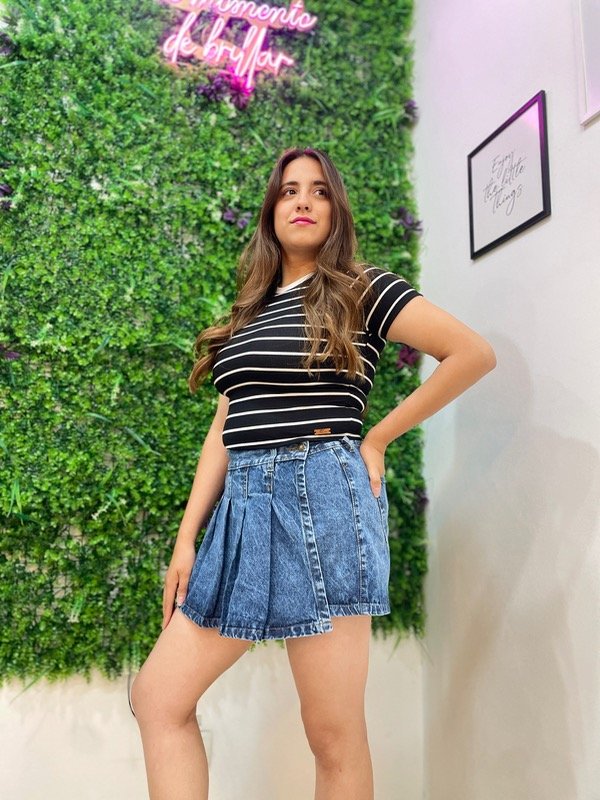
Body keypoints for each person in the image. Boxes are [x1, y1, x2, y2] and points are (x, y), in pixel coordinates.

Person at [130, 146, 496, 800]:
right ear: (272, 210)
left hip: (321, 493)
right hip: (242, 505)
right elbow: (225, 424)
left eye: (320, 190)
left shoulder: (362, 286)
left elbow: (470, 352)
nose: (303, 201)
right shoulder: (252, 311)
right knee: (158, 697)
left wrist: (377, 437)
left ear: (337, 210)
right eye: (290, 189)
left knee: (332, 734)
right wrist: (188, 539)